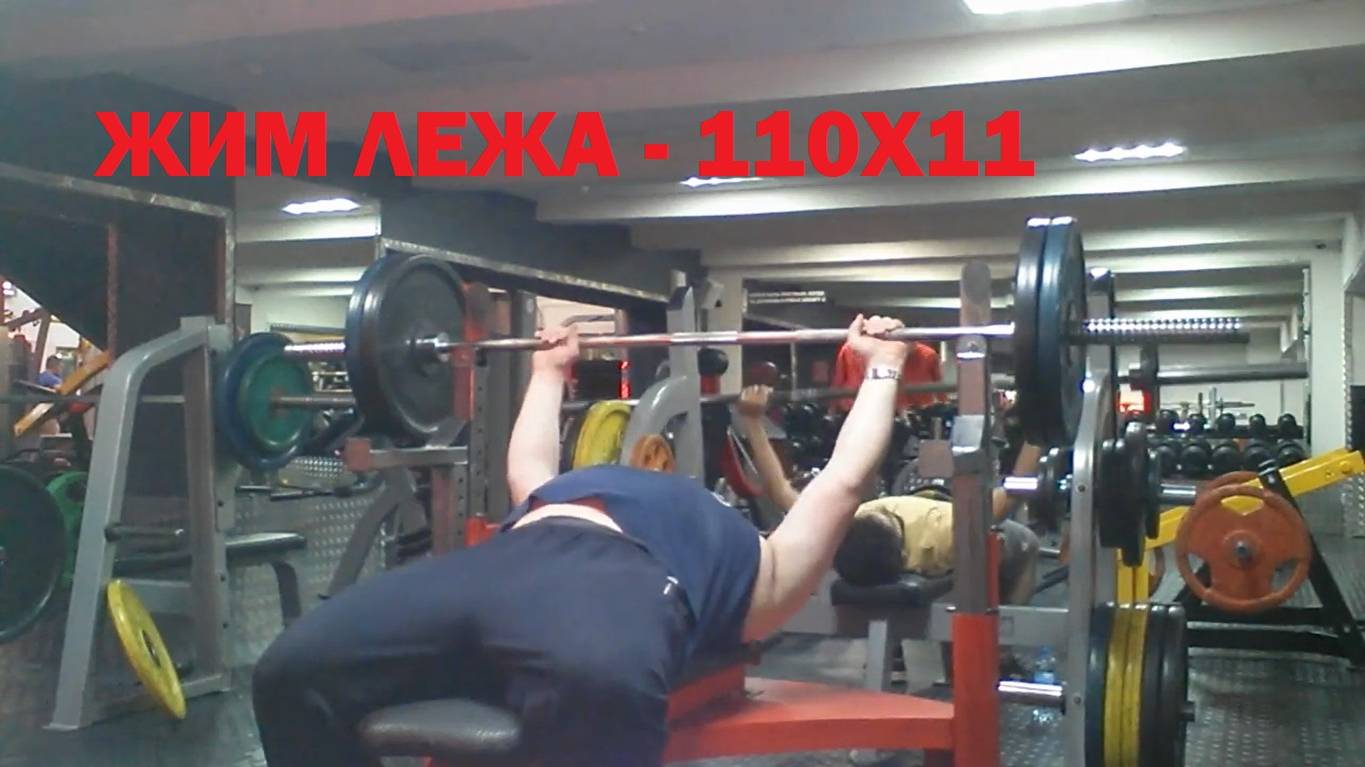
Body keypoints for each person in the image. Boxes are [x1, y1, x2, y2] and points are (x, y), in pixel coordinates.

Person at [252, 315, 916, 767]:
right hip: (503, 559)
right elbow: (527, 468)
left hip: (619, 576)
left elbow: (841, 481)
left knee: (599, 683)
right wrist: (549, 372)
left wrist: (884, 369)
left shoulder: (763, 567)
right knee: (292, 671)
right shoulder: (558, 490)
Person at [735, 384, 1042, 606]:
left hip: (919, 494)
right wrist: (1042, 426)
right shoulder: (948, 531)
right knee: (1027, 542)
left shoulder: (836, 534)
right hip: (949, 506)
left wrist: (751, 420)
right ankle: (1006, 647)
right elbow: (1015, 488)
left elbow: (779, 490)